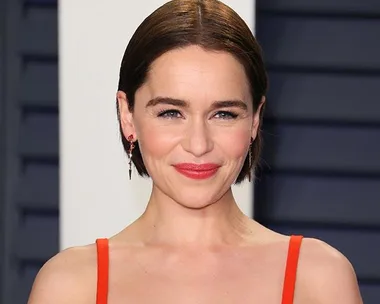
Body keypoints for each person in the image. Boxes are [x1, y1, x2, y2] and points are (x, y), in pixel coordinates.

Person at [28, 0, 363, 303]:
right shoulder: (70, 286)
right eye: (171, 113)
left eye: (224, 114)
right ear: (127, 115)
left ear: (256, 119)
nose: (198, 144)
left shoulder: (318, 279)